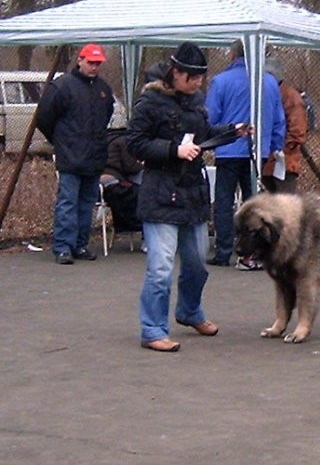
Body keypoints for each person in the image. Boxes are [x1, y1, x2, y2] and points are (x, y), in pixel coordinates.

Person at [127, 42, 253, 353]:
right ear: (176, 73)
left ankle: (189, 311)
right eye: (193, 78)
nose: (198, 83)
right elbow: (135, 142)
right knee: (160, 267)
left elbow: (203, 133)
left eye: (201, 78)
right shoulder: (150, 102)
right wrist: (173, 150)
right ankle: (152, 329)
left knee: (198, 263)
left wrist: (231, 131)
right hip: (159, 195)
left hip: (192, 195)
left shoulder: (197, 101)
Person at [205, 39, 285, 270]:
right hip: (256, 151)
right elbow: (279, 120)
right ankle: (255, 252)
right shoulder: (269, 82)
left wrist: (211, 143)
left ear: (232, 55)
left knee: (223, 201)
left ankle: (223, 251)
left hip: (228, 150)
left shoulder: (220, 82)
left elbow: (210, 118)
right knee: (255, 204)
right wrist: (273, 147)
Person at [36, 43, 115, 265]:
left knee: (87, 203)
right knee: (68, 203)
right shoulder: (62, 87)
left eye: (98, 63)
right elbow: (44, 117)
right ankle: (63, 247)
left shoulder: (103, 89)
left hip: (94, 156)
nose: (94, 67)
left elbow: (106, 116)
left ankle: (80, 244)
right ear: (79, 60)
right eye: (91, 62)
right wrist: (60, 140)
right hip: (70, 156)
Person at [261, 57, 308, 194]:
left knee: (285, 205)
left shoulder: (291, 97)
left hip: (285, 163)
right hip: (265, 162)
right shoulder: (265, 94)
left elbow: (297, 131)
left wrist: (280, 150)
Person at [100, 126, 144, 243]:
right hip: (116, 180)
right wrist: (142, 164)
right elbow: (130, 166)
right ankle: (145, 233)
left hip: (100, 182)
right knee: (144, 192)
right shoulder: (123, 141)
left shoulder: (103, 139)